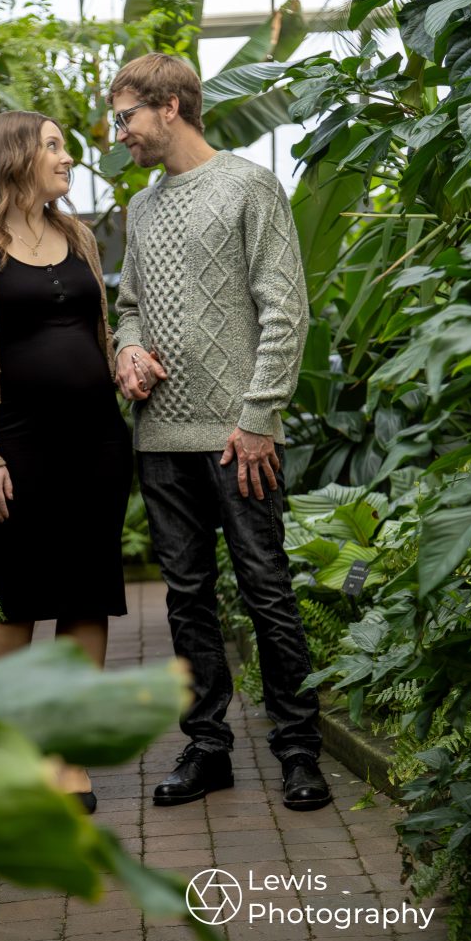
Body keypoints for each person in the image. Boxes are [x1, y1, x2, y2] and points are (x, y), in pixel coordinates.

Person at [108, 53, 331, 811]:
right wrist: (126, 347)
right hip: (160, 439)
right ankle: (209, 748)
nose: (119, 134)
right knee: (186, 598)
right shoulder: (141, 207)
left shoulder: (246, 185)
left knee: (267, 590)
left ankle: (300, 751)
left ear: (170, 107)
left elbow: (284, 308)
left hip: (239, 438)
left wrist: (258, 416)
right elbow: (129, 304)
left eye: (125, 117)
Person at [0, 110, 132, 814]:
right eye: (52, 146)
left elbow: (98, 331)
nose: (66, 158)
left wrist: (123, 371)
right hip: (14, 445)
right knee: (14, 598)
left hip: (97, 442)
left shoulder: (77, 235)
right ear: (14, 157)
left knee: (87, 595)